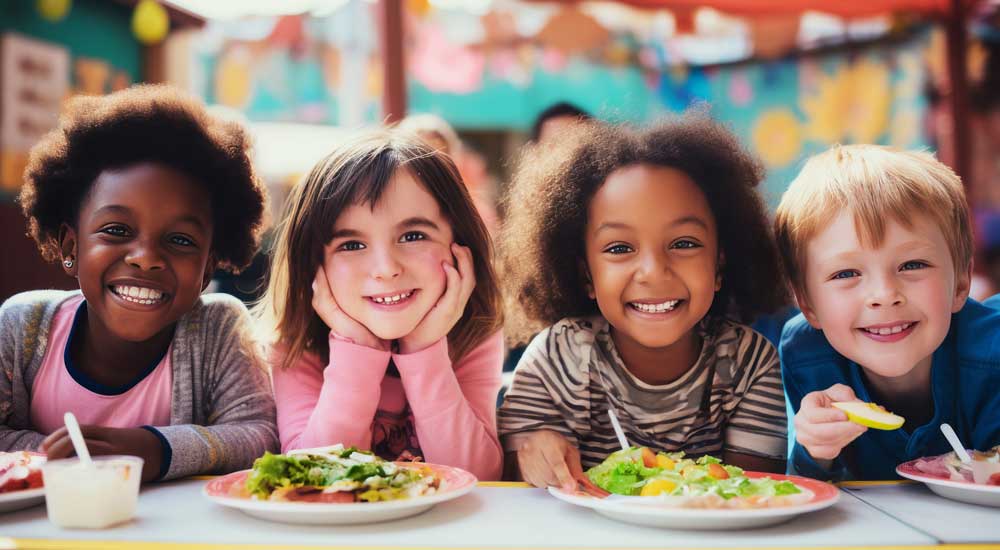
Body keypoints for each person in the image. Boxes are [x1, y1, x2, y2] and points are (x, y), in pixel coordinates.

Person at [497, 112, 790, 491]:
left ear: (720, 263)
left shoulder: (749, 363)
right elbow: (514, 482)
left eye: (684, 243)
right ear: (586, 274)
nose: (653, 271)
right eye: (620, 248)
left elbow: (753, 492)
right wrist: (533, 457)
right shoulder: (557, 358)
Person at [1, 85, 278, 481]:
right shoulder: (21, 327)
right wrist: (65, 457)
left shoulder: (217, 328)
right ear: (71, 246)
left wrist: (157, 449)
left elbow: (259, 434)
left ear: (208, 266)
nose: (146, 257)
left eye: (180, 240)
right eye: (117, 230)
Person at [257, 130, 505, 481]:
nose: (386, 268)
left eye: (413, 236)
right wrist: (358, 349)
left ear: (460, 246)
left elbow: (477, 477)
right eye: (351, 245)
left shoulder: (474, 333)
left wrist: (425, 350)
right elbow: (313, 476)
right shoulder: (296, 345)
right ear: (313, 265)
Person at [775, 144, 1000, 480]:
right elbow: (813, 485)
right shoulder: (807, 356)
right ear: (807, 303)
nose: (884, 295)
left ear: (960, 284)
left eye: (912, 264)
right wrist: (817, 449)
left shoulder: (992, 356)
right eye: (846, 273)